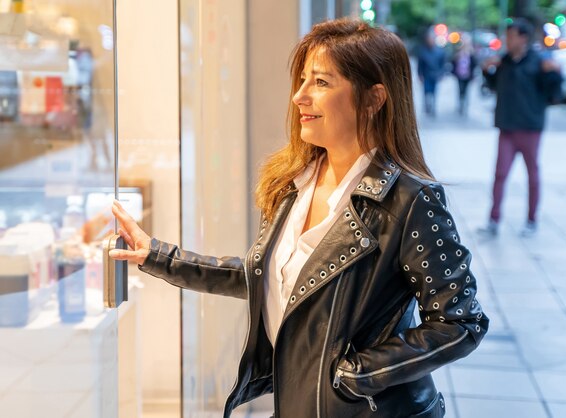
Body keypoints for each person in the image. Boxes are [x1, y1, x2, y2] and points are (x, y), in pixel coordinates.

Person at [110, 19, 488, 418]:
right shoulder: (293, 184)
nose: (299, 97)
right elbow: (270, 280)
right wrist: (157, 255)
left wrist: (354, 375)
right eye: (303, 80)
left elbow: (461, 322)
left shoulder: (409, 200)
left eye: (321, 83)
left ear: (374, 98)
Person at [479, 19, 562, 237]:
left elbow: (554, 94)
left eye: (512, 36)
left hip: (530, 127)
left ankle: (532, 219)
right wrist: (487, 71)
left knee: (532, 175)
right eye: (507, 36)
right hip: (507, 128)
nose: (508, 40)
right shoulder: (504, 62)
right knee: (500, 174)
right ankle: (494, 219)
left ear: (523, 38)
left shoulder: (538, 62)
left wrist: (554, 73)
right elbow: (492, 86)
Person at [417, 33, 446, 116]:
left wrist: (441, 74)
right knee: (426, 92)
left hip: (435, 75)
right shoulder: (423, 52)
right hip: (426, 75)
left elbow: (442, 65)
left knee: (434, 92)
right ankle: (427, 107)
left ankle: (433, 107)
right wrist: (420, 75)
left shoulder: (440, 52)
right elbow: (420, 65)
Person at [452, 42, 476, 116]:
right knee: (460, 90)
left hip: (467, 76)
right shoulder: (458, 54)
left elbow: (474, 65)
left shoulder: (471, 55)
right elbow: (453, 62)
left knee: (466, 91)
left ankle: (465, 105)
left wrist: (472, 75)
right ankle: (461, 105)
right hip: (460, 75)